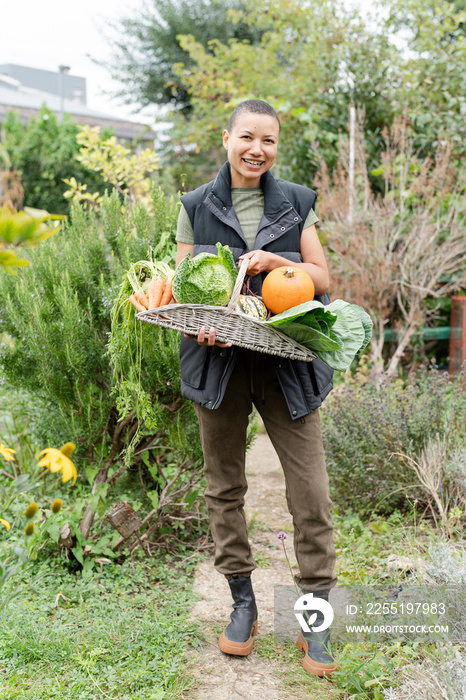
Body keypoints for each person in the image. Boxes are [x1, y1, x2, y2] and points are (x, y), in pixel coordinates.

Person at [175, 99, 337, 677]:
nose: (257, 150)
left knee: (311, 493)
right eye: (247, 137)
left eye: (268, 141)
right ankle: (242, 602)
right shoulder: (195, 205)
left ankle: (315, 615)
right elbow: (185, 287)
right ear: (227, 138)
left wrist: (279, 264)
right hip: (218, 362)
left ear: (275, 145)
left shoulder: (297, 202)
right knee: (225, 488)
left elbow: (321, 279)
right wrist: (202, 322)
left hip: (287, 361)